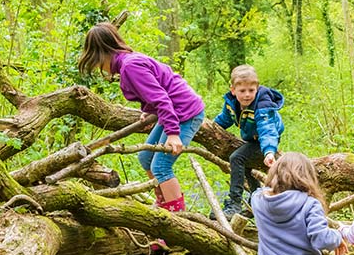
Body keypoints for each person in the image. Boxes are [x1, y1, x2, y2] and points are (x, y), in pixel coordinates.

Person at [78, 22, 205, 219]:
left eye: (96, 62)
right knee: (145, 157)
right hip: (173, 111)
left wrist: (172, 134)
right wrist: (148, 110)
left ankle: (177, 220)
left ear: (103, 54)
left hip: (185, 113)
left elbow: (162, 97)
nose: (99, 68)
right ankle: (164, 204)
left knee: (161, 166)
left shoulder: (130, 66)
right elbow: (155, 90)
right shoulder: (128, 63)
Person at [213, 64, 284, 219]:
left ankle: (234, 203)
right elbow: (225, 119)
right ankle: (255, 200)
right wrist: (207, 125)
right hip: (251, 139)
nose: (247, 95)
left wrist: (269, 151)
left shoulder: (262, 104)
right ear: (233, 90)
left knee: (236, 158)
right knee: (244, 164)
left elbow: (267, 129)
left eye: (251, 90)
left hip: (266, 140)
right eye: (242, 91)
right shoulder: (232, 102)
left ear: (257, 88)